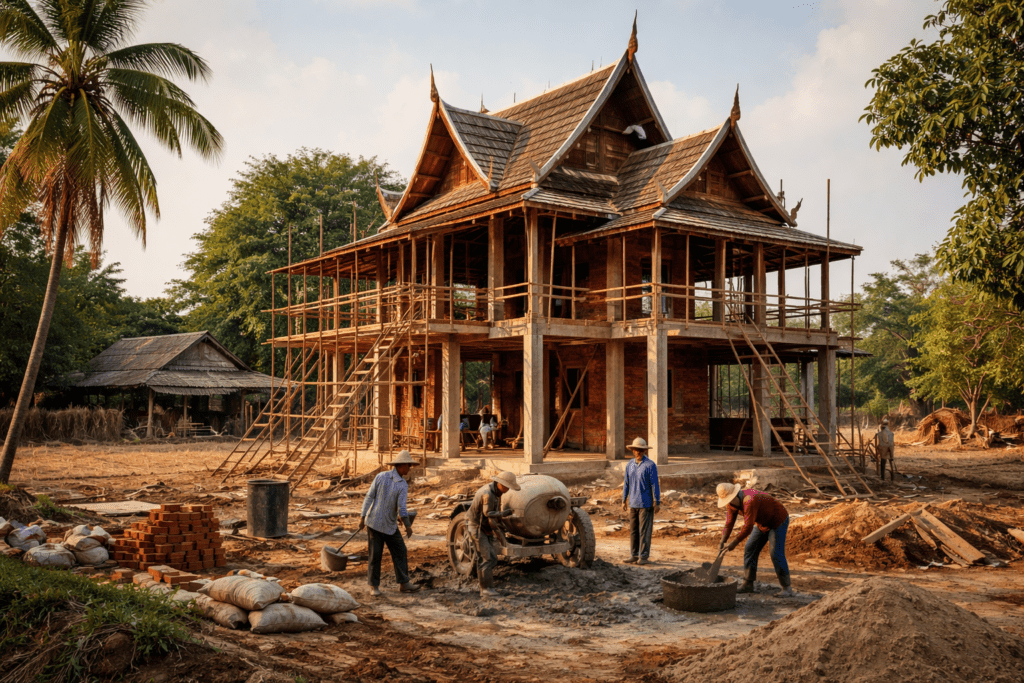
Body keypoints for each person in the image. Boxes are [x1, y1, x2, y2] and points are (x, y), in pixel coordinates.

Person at [359, 450, 421, 596]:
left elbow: (372, 498)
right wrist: (408, 525)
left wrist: (363, 517)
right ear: (402, 465)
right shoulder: (400, 484)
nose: (410, 469)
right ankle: (374, 586)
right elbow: (402, 508)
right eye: (408, 466)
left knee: (400, 550)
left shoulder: (382, 476)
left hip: (387, 523)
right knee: (376, 555)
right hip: (376, 523)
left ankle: (403, 583)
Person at [717, 482, 792, 597]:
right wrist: (722, 541)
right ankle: (748, 583)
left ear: (736, 495)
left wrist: (734, 543)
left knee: (775, 553)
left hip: (777, 521)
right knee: (750, 548)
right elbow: (729, 523)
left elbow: (748, 527)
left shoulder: (749, 500)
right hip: (762, 523)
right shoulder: (732, 504)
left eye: (730, 500)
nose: (729, 504)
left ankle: (787, 588)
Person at [467, 471, 520, 597]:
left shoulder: (497, 492)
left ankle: (486, 582)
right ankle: (485, 588)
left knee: (492, 557)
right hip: (476, 527)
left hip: (485, 527)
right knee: (486, 557)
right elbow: (488, 514)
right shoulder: (488, 494)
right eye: (506, 486)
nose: (507, 490)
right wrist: (503, 514)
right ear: (499, 483)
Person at [621, 437, 660, 565]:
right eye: (636, 450)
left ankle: (643, 556)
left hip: (646, 503)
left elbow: (655, 484)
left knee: (644, 531)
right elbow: (626, 483)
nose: (638, 452)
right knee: (633, 530)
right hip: (633, 503)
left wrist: (657, 501)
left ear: (644, 451)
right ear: (633, 451)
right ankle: (634, 554)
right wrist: (623, 499)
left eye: (640, 450)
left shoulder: (650, 465)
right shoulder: (630, 465)